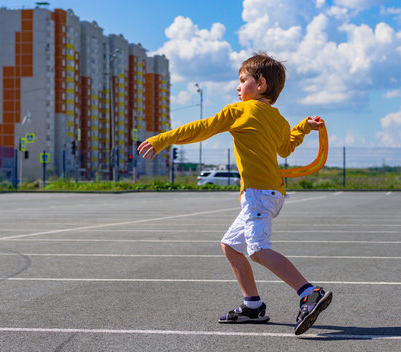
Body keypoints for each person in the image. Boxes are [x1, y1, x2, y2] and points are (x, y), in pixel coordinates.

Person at [138, 52, 332, 335]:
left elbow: (201, 128)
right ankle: (252, 305)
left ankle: (308, 292)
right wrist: (303, 127)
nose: (237, 87)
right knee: (230, 245)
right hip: (272, 194)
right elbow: (286, 148)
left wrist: (162, 139)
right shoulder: (278, 119)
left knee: (257, 250)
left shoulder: (239, 111)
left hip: (258, 194)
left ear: (261, 84)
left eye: (243, 80)